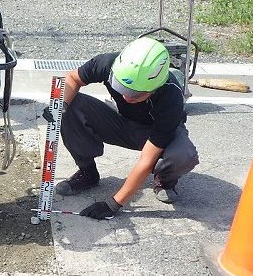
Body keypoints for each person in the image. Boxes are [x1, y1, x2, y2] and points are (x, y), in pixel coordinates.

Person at [51, 36, 199, 220]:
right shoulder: (107, 63)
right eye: (121, 87)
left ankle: (165, 179)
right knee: (71, 106)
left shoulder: (171, 96)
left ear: (155, 87)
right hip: (122, 122)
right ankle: (87, 172)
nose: (127, 97)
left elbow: (146, 159)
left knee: (183, 155)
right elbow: (73, 78)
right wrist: (60, 106)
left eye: (136, 94)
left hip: (155, 133)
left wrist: (114, 203)